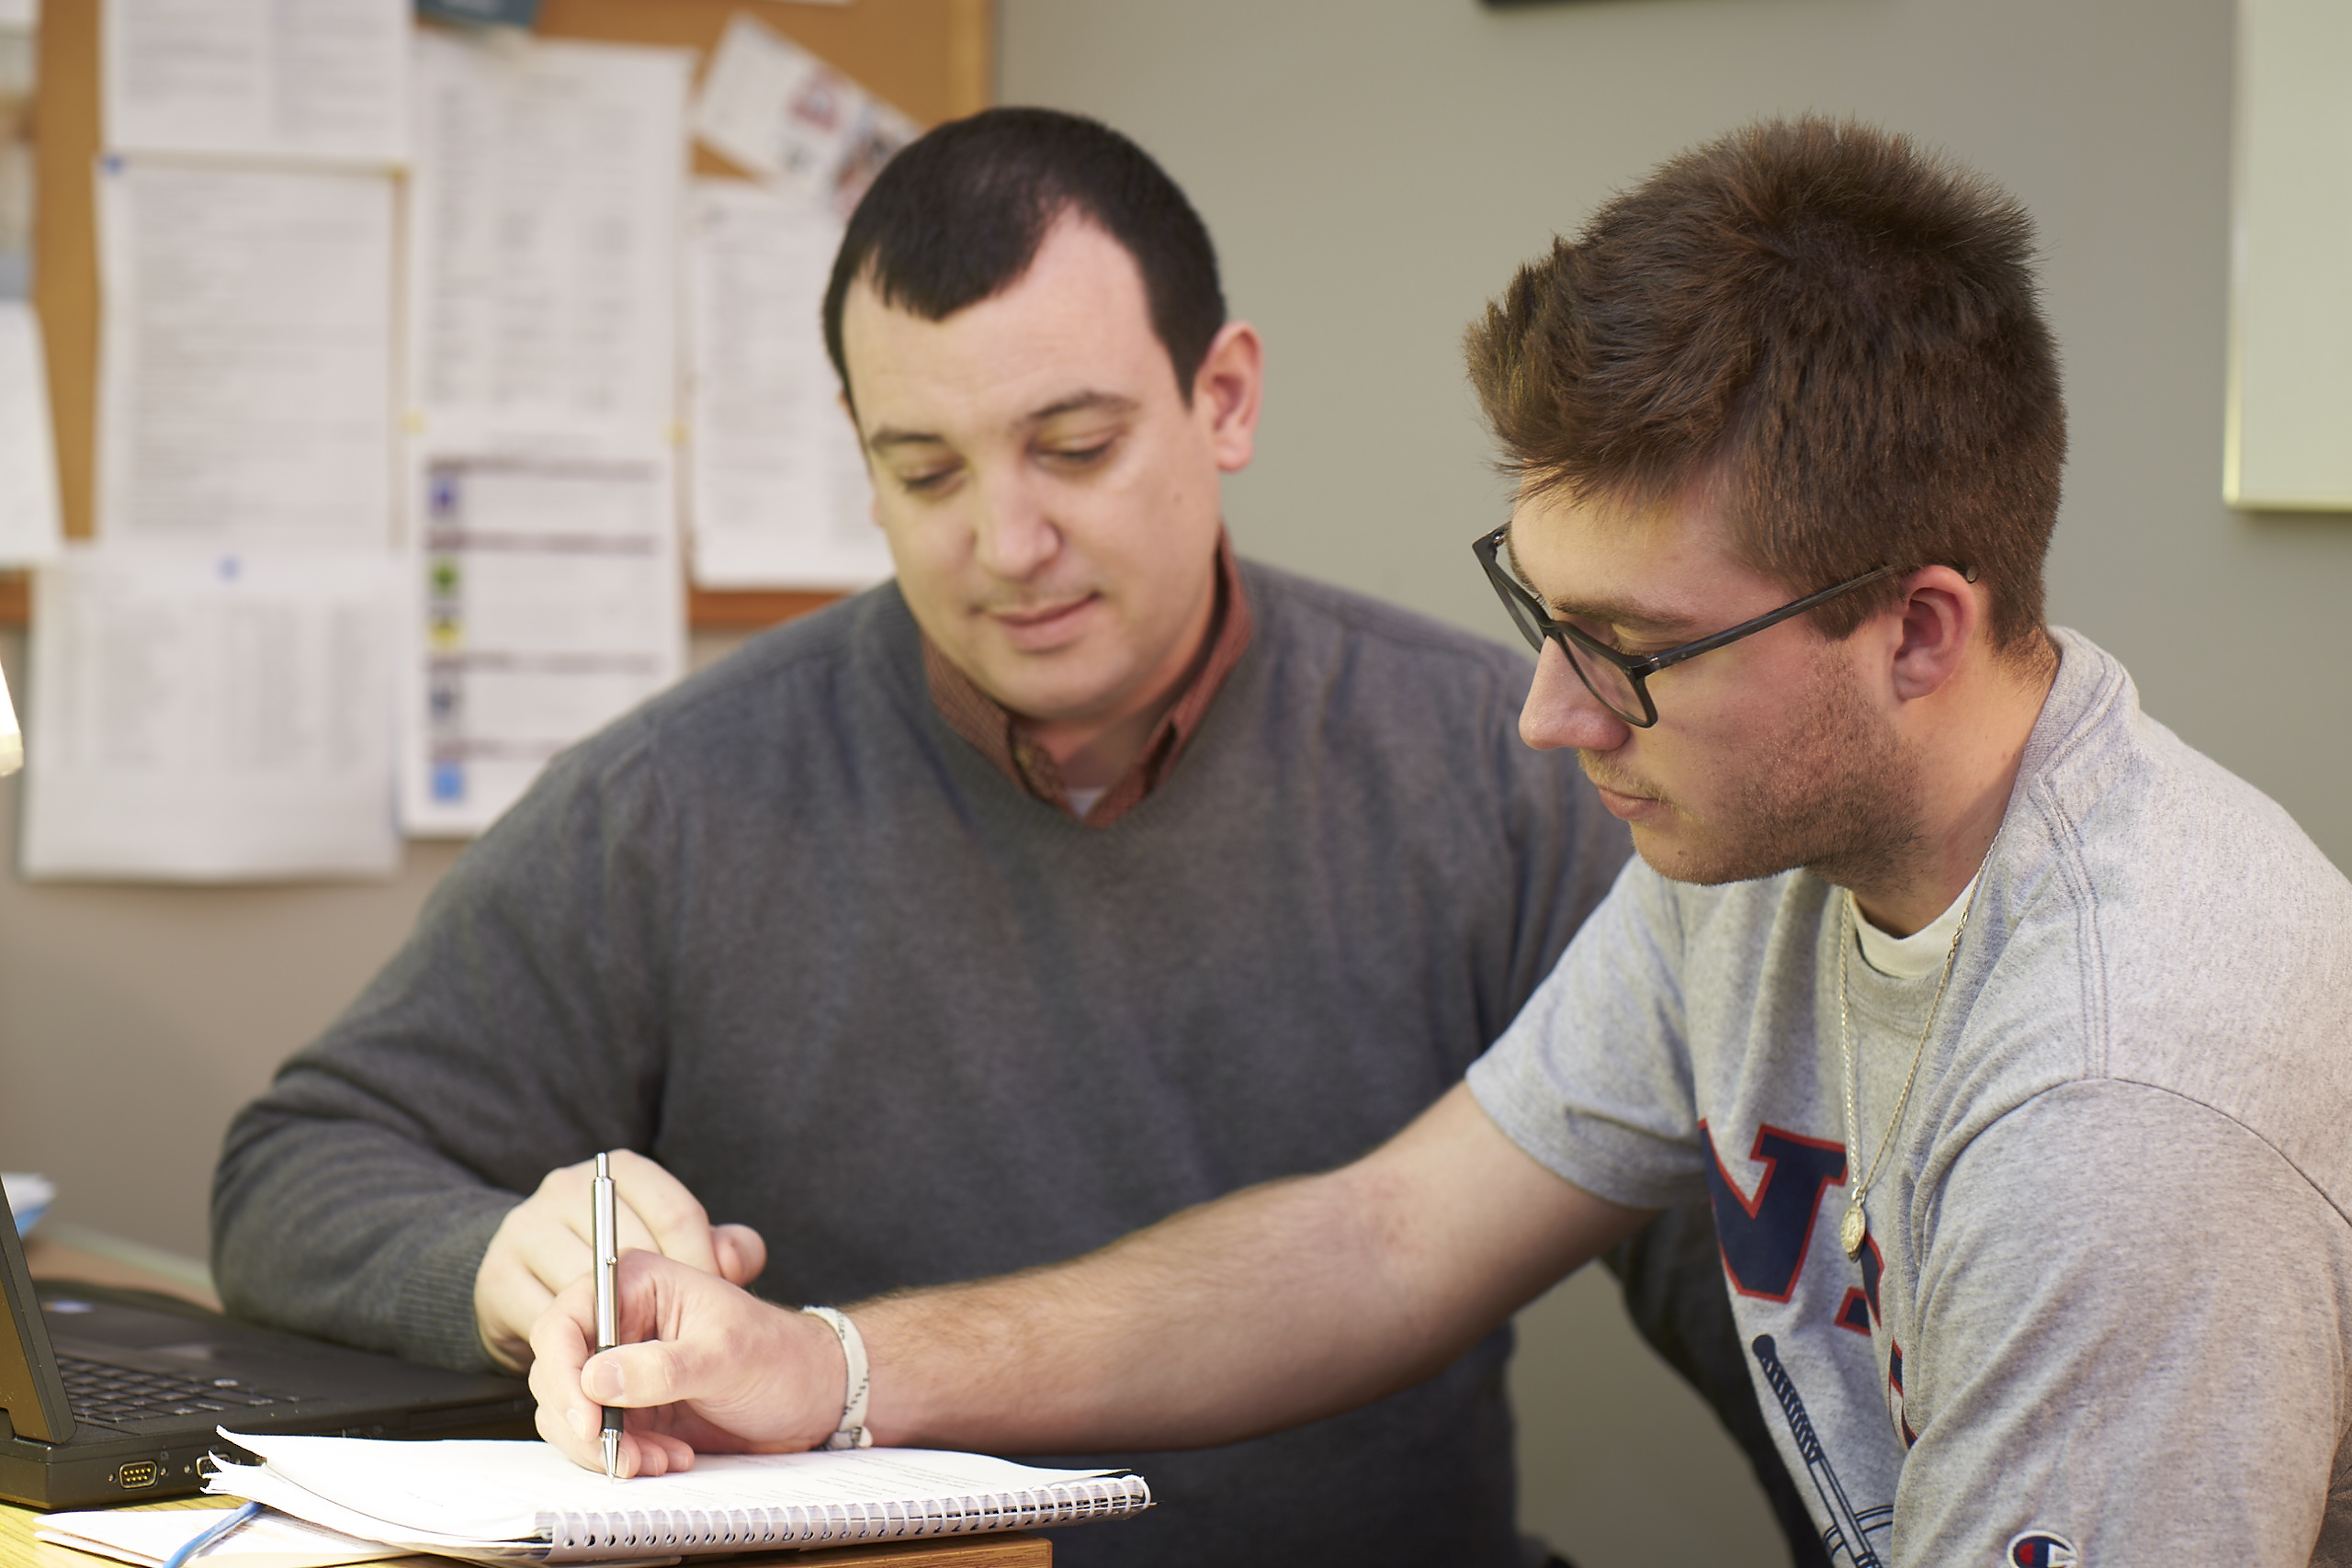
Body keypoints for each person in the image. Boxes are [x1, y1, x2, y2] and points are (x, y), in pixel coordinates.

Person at [525, 117, 2352, 1565]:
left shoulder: (2116, 1106)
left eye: (1627, 654)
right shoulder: (1766, 862)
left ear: (1916, 631)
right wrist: (831, 1367)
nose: (1547, 715)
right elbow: (1387, 1238)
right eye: (1536, 614)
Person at [211, 109, 1646, 1568]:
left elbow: (1738, 1225)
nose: (1007, 544)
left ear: (1224, 398)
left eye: (1073, 447)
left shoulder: (1509, 760)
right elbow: (297, 1169)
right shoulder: (673, 802)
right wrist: (497, 1268)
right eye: (928, 472)